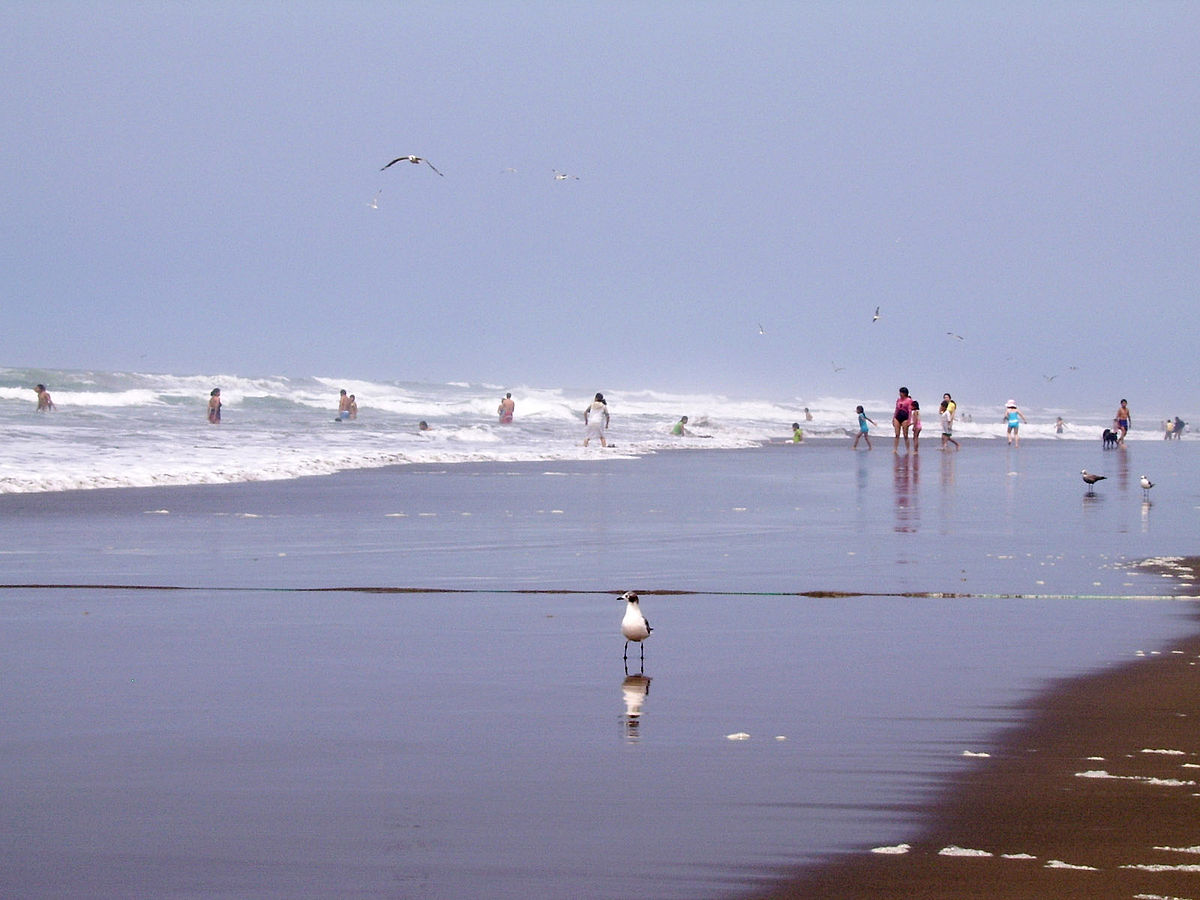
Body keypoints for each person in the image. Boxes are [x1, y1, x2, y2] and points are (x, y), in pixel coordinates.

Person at [892, 387, 914, 451]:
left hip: (905, 417)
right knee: (897, 434)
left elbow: (910, 411)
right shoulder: (898, 400)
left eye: (901, 392)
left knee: (905, 435)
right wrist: (893, 418)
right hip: (898, 417)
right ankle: (895, 449)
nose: (900, 394)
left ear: (904, 393)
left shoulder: (909, 400)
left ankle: (908, 449)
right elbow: (896, 409)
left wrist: (909, 420)